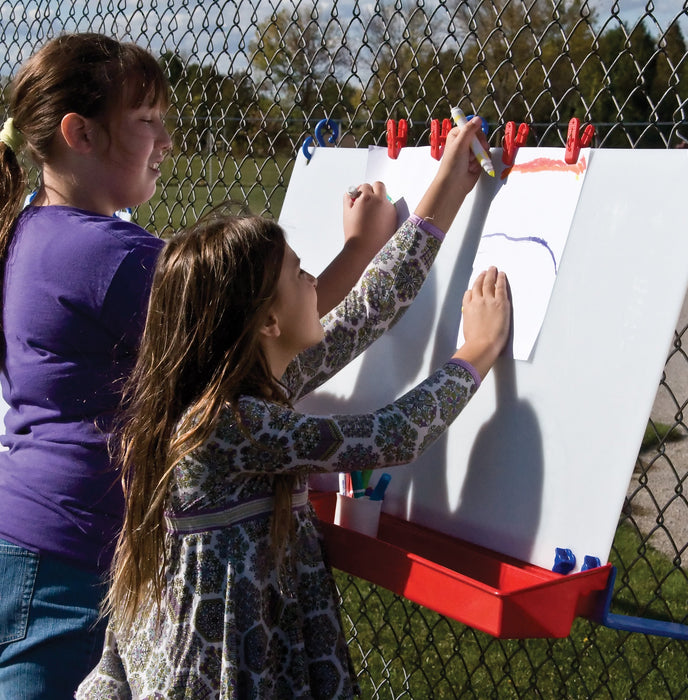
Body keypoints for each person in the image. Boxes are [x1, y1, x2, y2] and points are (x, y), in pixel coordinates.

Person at [0, 32, 396, 698]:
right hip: (74, 556)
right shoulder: (113, 256)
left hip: (31, 535)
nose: (167, 142)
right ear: (81, 134)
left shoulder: (31, 227)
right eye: (147, 122)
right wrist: (362, 250)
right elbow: (264, 327)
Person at [76, 120, 508, 697]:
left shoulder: (244, 385)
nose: (315, 283)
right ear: (268, 323)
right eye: (299, 274)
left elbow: (368, 311)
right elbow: (391, 436)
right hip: (213, 676)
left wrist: (449, 184)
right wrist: (476, 350)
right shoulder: (230, 424)